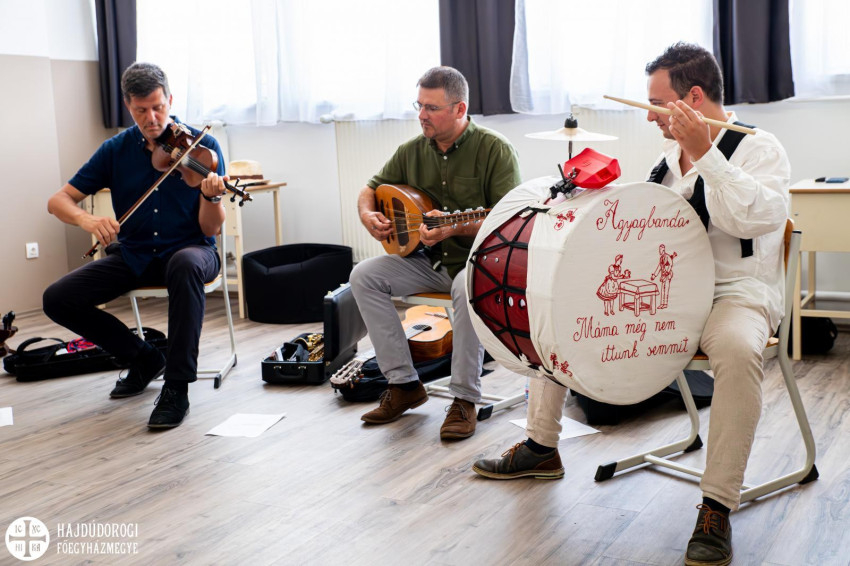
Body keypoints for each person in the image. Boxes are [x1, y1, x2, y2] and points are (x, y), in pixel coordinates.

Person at [472, 42, 790, 566]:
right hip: (672, 293)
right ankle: (541, 446)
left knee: (737, 350)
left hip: (735, 295)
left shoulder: (759, 148)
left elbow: (752, 219)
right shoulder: (665, 162)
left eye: (655, 104)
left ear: (692, 98)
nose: (650, 117)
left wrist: (706, 154)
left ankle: (716, 505)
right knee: (563, 307)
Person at [43, 62, 229, 429]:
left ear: (170, 100)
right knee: (58, 298)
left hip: (192, 252)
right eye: (141, 110)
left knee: (184, 264)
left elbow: (212, 228)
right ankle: (143, 357)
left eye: (158, 107)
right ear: (128, 106)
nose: (152, 118)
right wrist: (88, 220)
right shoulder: (115, 149)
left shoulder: (202, 146)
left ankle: (176, 387)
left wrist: (212, 198)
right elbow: (58, 201)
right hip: (136, 254)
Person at [350, 66, 521, 440]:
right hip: (426, 262)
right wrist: (367, 214)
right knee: (363, 275)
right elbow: (370, 189)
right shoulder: (410, 151)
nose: (421, 115)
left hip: (479, 263)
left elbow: (508, 220)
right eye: (419, 105)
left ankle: (464, 399)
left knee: (464, 287)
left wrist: (455, 227)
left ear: (460, 109)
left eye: (431, 107)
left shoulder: (494, 149)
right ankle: (403, 385)